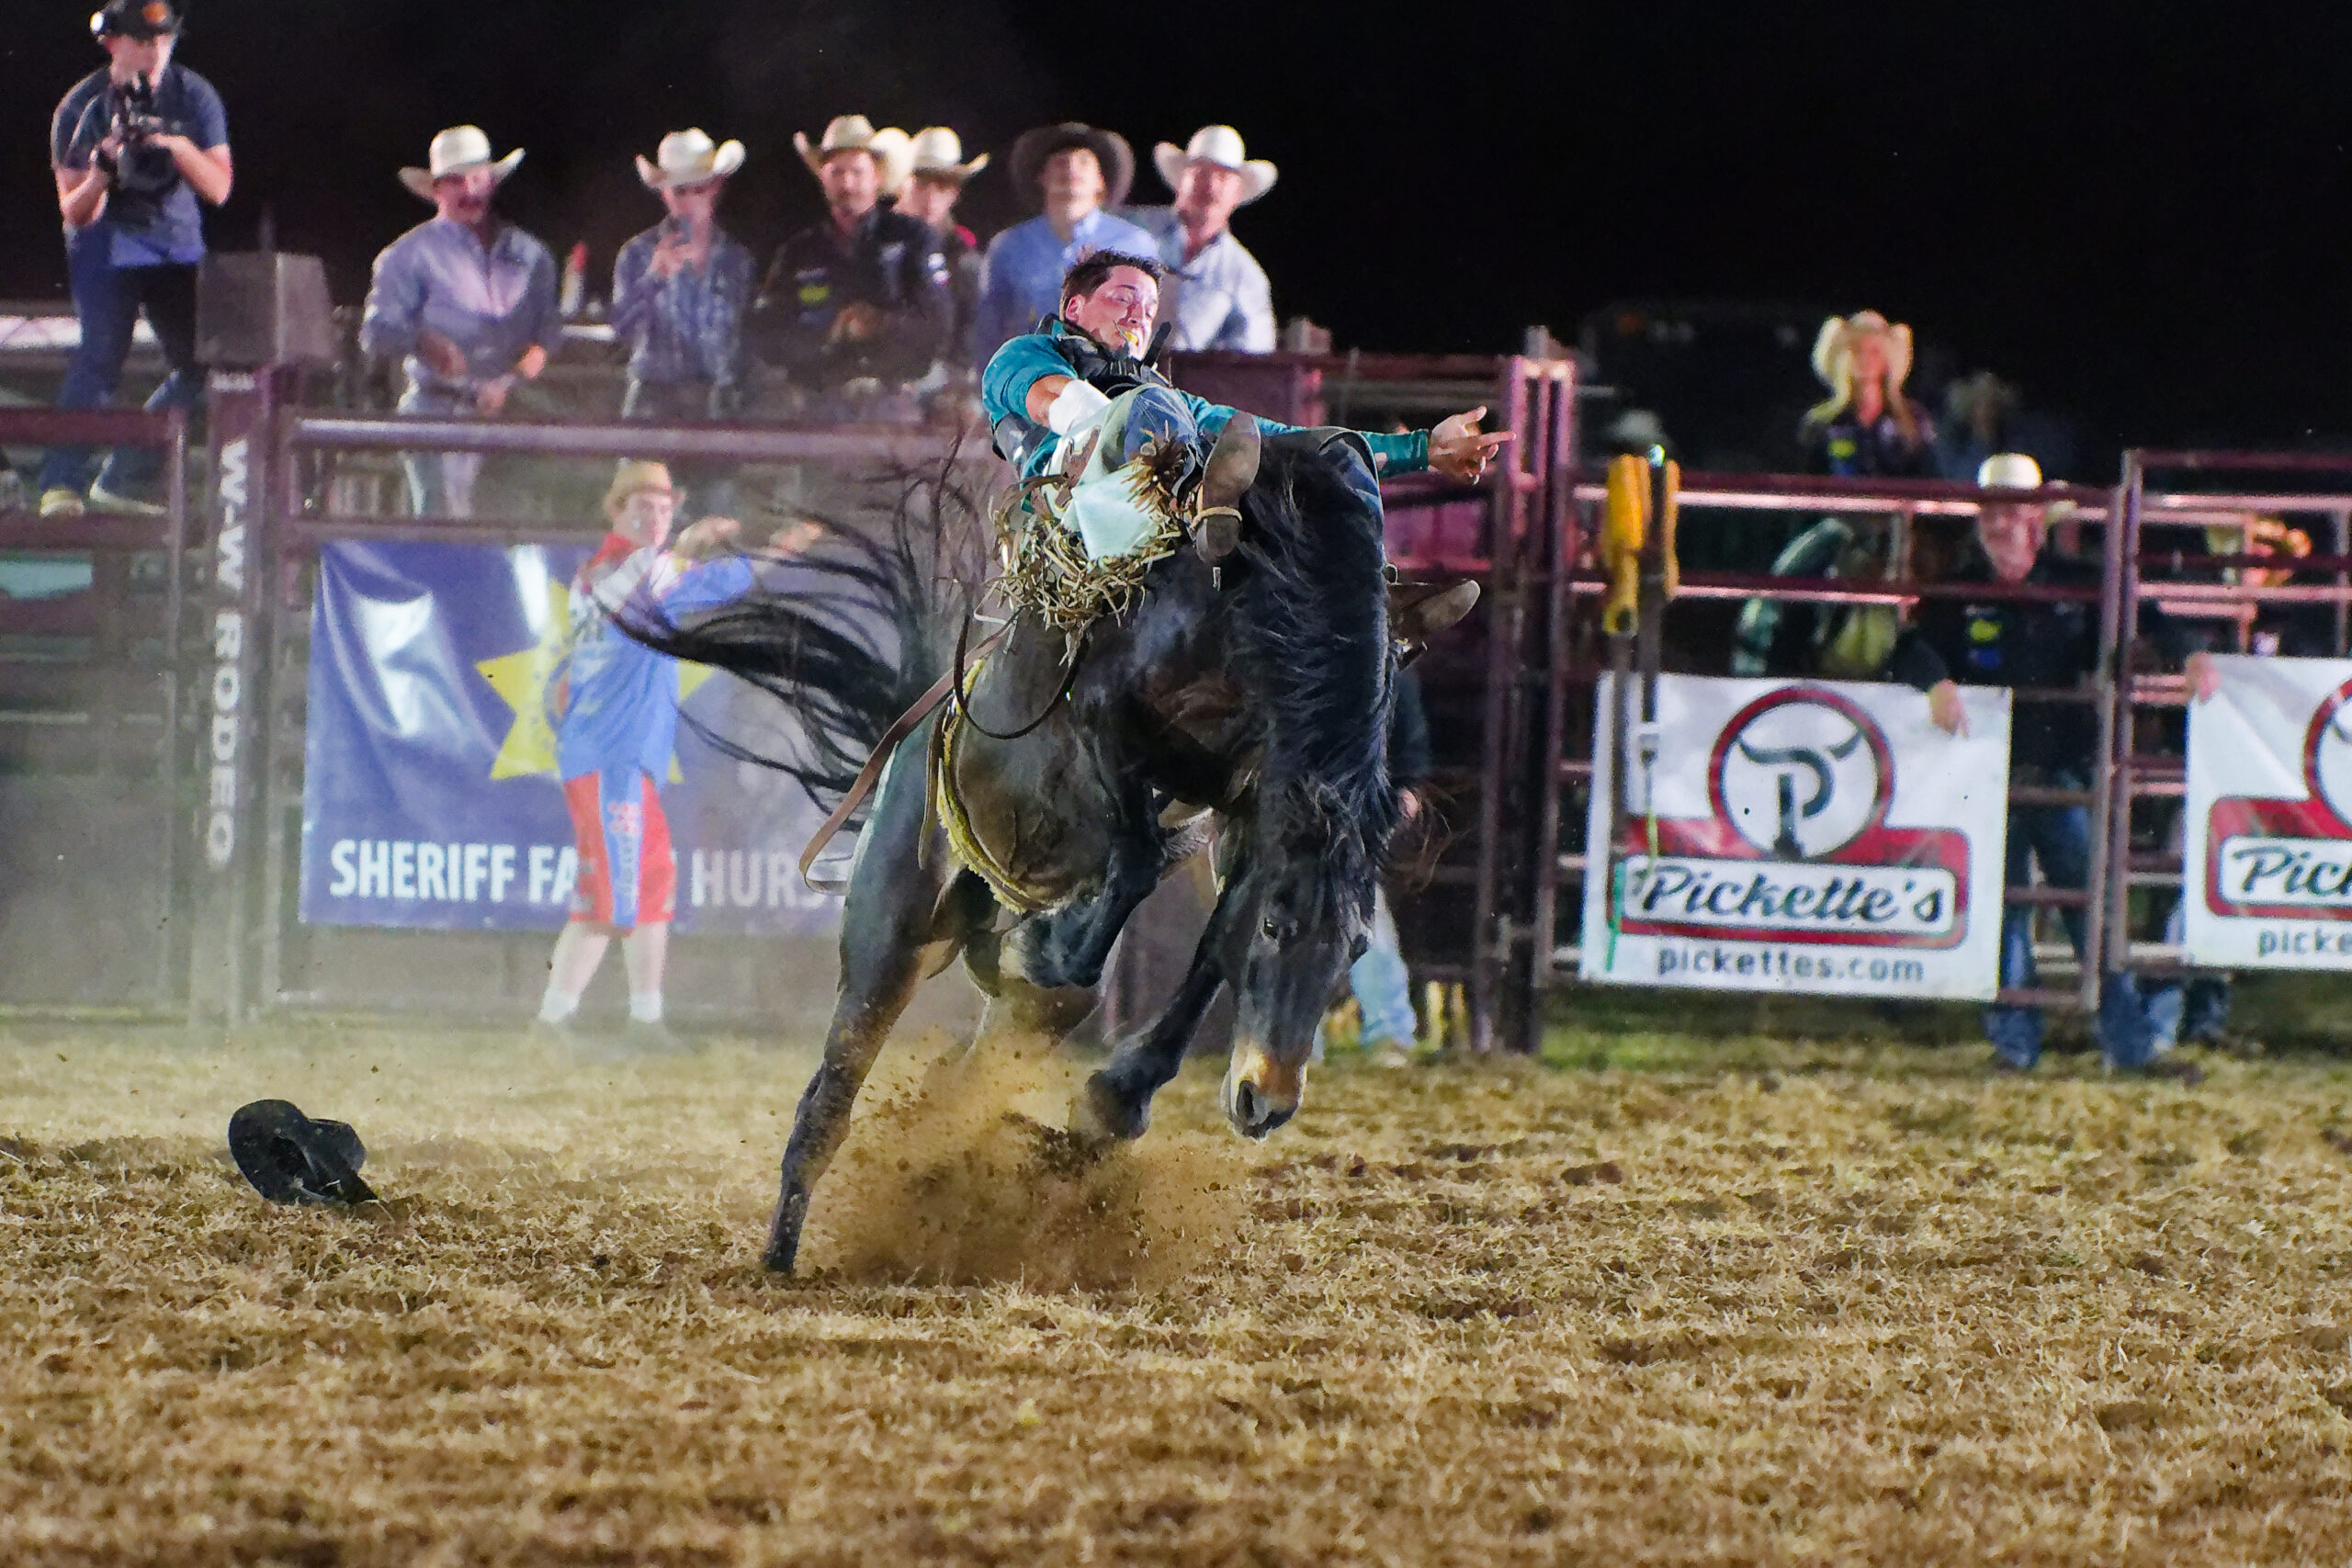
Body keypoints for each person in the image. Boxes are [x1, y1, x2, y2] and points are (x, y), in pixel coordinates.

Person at [1894, 453, 2202, 1081]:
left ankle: (2128, 1043)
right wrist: (1935, 680)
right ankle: (2018, 1043)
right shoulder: (1958, 590)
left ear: (2037, 517)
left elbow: (2150, 619)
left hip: (2059, 764)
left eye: (2012, 508)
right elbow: (1911, 646)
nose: (2001, 521)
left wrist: (2187, 655)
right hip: (1988, 773)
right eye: (1992, 510)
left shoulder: (2079, 580)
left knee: (2088, 903)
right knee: (2004, 904)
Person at [981, 252, 1508, 562]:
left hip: (1167, 527)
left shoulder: (1172, 402)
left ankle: (1366, 592)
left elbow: (1276, 435)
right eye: (1123, 298)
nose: (1138, 315)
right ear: (1074, 307)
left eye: (1148, 308)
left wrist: (1423, 447)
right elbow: (1060, 402)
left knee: (1319, 455)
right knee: (1150, 408)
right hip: (1066, 532)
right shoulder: (1025, 356)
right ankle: (1196, 504)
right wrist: (1144, 431)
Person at [537, 462, 757, 1046]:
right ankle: (599, 1021)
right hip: (612, 758)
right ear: (617, 512)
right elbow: (663, 579)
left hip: (621, 759)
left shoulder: (643, 571)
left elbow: (714, 579)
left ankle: (618, 1019)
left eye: (663, 507)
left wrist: (774, 551)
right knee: (621, 892)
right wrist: (691, 546)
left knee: (633, 887)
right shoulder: (613, 570)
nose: (655, 517)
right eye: (643, 507)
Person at [37, 0, 231, 519]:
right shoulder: (81, 106)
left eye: (162, 40)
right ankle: (60, 485)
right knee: (101, 356)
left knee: (207, 366)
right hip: (106, 241)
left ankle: (125, 475)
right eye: (141, 40)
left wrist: (172, 144)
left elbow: (219, 187)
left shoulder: (195, 95)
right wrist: (103, 168)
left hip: (175, 243)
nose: (153, 51)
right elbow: (75, 211)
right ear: (111, 43)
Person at [359, 126, 562, 518]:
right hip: (436, 408)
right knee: (441, 524)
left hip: (511, 411)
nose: (469, 189)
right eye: (455, 180)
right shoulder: (406, 255)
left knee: (511, 528)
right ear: (437, 189)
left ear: (491, 181)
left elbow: (548, 331)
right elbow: (376, 332)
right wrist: (421, 340)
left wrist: (517, 373)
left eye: (476, 177)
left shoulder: (531, 254)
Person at [752, 116, 950, 409]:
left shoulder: (912, 238)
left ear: (877, 176)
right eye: (837, 172)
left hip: (898, 400)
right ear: (823, 177)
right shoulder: (798, 252)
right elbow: (767, 331)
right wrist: (826, 334)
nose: (847, 184)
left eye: (857, 172)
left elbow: (939, 319)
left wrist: (881, 324)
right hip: (818, 405)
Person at [611, 129, 756, 518]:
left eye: (697, 189)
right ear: (664, 194)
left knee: (713, 529)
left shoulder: (737, 260)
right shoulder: (637, 254)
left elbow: (747, 340)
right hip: (652, 405)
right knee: (642, 527)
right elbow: (622, 332)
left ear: (714, 188)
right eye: (679, 191)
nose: (688, 200)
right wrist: (654, 278)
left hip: (717, 406)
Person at [971, 123, 1160, 363]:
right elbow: (987, 329)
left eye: (1083, 162)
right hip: (1032, 382)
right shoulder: (1009, 246)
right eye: (1060, 161)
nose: (1071, 167)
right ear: (1042, 177)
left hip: (1110, 386)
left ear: (1100, 181)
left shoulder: (1134, 244)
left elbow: (1151, 324)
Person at [1122, 125, 1278, 354]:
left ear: (1237, 193)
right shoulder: (1131, 229)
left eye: (1223, 177)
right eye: (1201, 172)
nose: (1211, 185)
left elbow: (1252, 356)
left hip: (1180, 385)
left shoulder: (1245, 276)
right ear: (1181, 179)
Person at [1799, 310, 1938, 479]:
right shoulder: (1821, 423)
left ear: (1886, 359)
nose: (1865, 360)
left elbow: (1929, 480)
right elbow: (1806, 483)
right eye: (1857, 351)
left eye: (1874, 352)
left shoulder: (1914, 420)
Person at [891, 128, 989, 367]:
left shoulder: (963, 254)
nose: (931, 196)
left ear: (955, 193)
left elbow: (974, 328)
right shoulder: (873, 239)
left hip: (944, 376)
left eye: (943, 185)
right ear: (900, 184)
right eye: (922, 182)